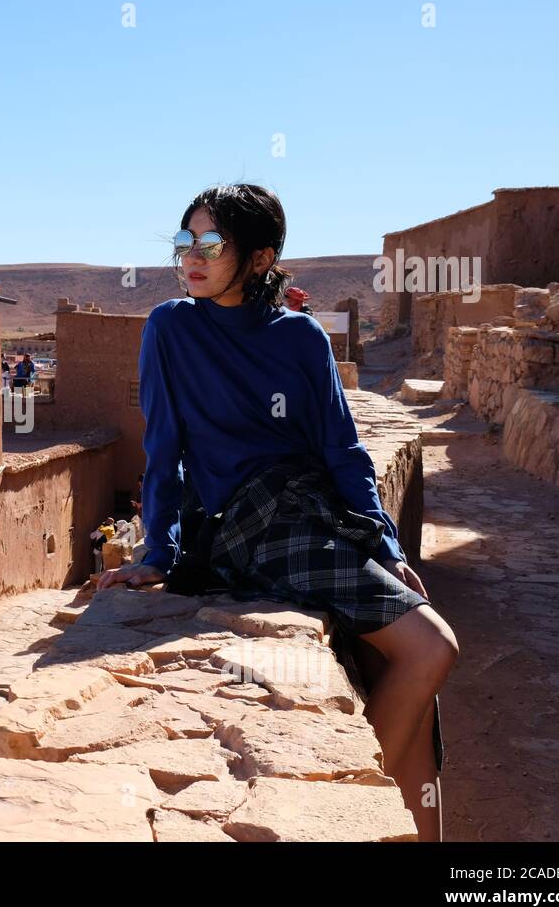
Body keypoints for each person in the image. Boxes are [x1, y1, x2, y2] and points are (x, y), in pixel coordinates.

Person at [97, 183, 458, 841]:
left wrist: (390, 550)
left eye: (211, 244)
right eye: (185, 243)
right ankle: (344, 810)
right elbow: (163, 450)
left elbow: (344, 451)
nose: (191, 258)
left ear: (261, 259)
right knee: (432, 647)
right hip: (247, 526)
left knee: (408, 683)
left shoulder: (300, 337)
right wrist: (156, 555)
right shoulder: (171, 329)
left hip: (314, 517)